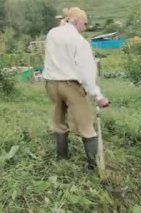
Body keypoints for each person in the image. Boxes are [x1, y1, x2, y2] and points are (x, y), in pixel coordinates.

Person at [42, 7, 110, 169]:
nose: (85, 28)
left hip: (51, 84)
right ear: (77, 21)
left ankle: (62, 160)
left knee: (59, 122)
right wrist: (98, 96)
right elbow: (86, 70)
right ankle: (94, 166)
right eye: (85, 24)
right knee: (86, 126)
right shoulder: (79, 41)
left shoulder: (52, 34)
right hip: (70, 85)